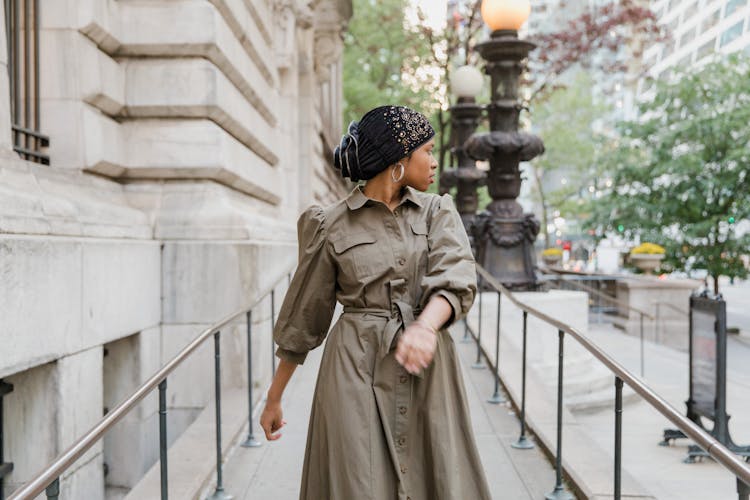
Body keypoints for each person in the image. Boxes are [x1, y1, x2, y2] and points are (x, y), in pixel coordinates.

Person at [260, 105, 492, 499]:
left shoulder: (437, 212)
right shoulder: (329, 223)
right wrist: (274, 398)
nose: (434, 162)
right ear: (399, 158)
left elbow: (457, 278)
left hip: (428, 370)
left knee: (433, 474)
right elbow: (304, 319)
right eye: (428, 151)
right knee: (358, 482)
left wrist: (425, 326)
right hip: (353, 370)